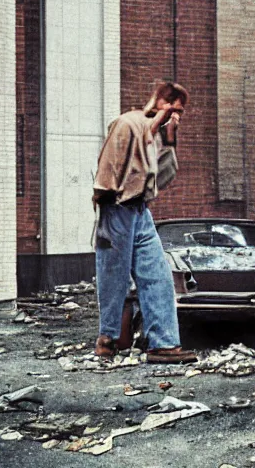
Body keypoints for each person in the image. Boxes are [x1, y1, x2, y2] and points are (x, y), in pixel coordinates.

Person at [91, 80, 197, 364]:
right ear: (162, 103)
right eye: (176, 109)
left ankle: (163, 344)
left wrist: (169, 133)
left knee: (158, 275)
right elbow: (109, 163)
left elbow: (162, 176)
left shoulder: (157, 136)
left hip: (141, 211)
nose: (178, 116)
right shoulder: (127, 123)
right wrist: (103, 201)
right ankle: (108, 340)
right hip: (117, 208)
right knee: (114, 277)